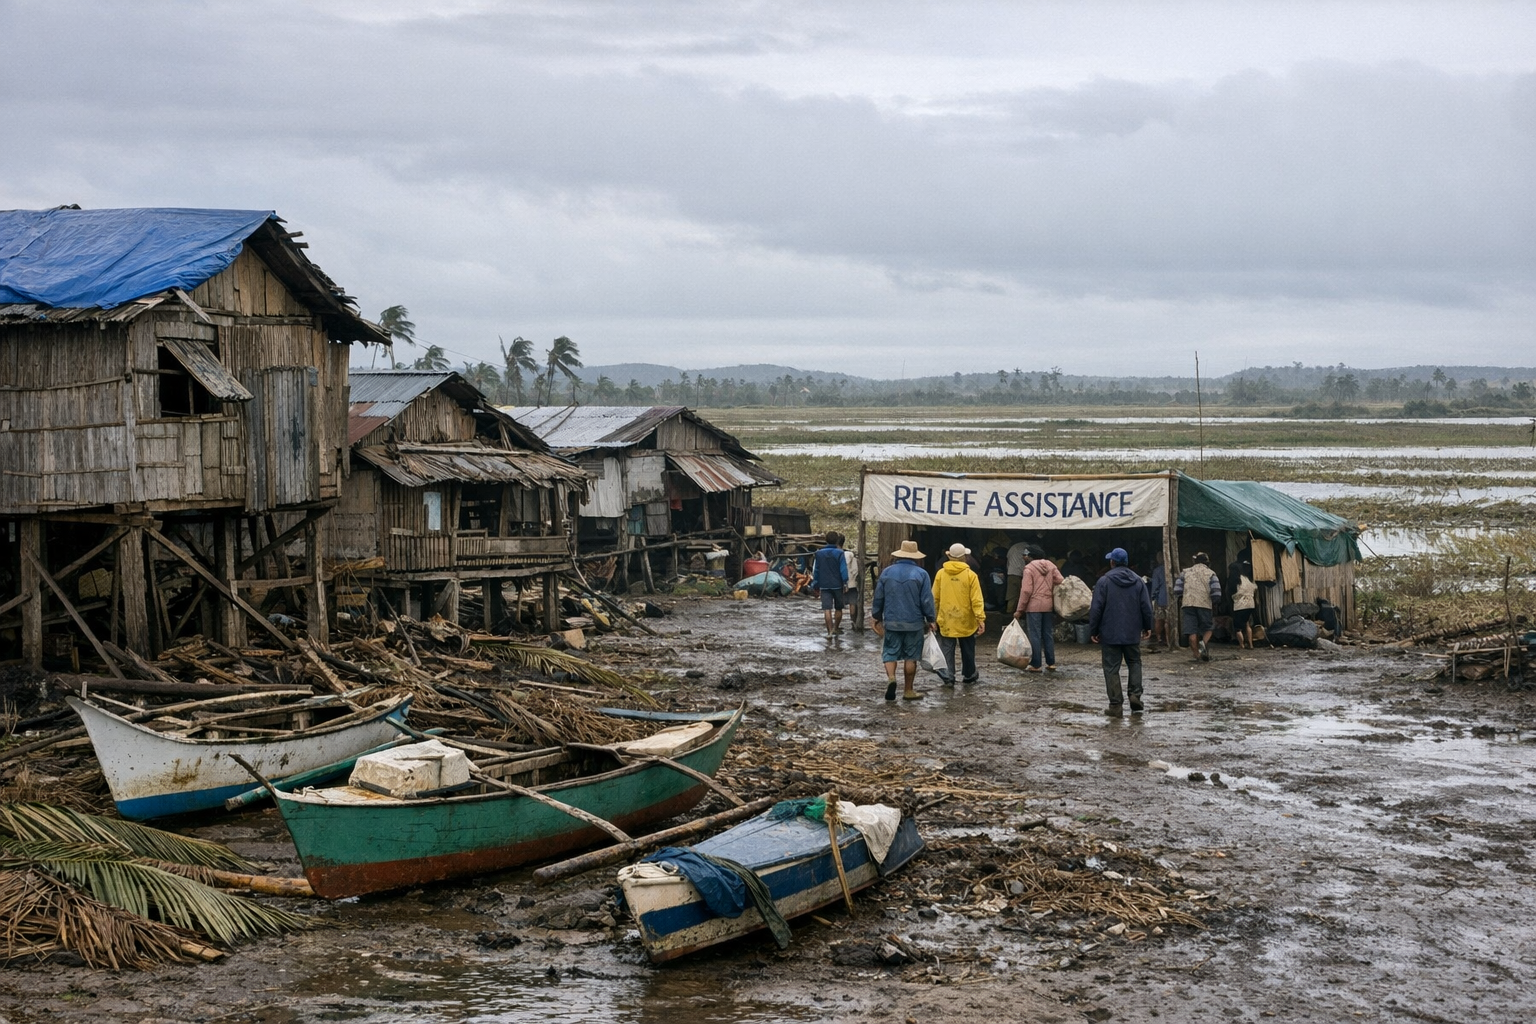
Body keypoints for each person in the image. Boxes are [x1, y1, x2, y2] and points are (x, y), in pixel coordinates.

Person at [1088, 547, 1155, 714]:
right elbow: (1146, 607)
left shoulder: (1104, 581)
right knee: (1134, 662)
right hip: (1132, 632)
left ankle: (1116, 705)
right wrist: (1148, 627)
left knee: (1111, 667)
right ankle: (1135, 695)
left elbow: (1096, 608)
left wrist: (1093, 630)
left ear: (1112, 562)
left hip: (1109, 632)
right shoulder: (1139, 581)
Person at [871, 540, 937, 701]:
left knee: (890, 653)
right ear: (915, 557)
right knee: (911, 656)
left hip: (892, 620)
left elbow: (879, 596)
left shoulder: (887, 572)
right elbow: (926, 600)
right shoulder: (921, 574)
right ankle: (908, 690)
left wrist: (876, 616)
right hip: (913, 622)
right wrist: (931, 619)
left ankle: (892, 678)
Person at [932, 542, 985, 686]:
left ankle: (948, 676)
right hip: (965, 619)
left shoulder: (941, 574)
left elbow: (934, 598)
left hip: (946, 618)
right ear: (964, 558)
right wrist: (980, 619)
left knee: (947, 648)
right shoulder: (970, 575)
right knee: (968, 648)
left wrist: (933, 617)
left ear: (949, 556)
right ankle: (969, 674)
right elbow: (976, 600)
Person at [1013, 546, 1064, 673]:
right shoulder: (1050, 565)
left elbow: (1026, 591)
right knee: (1047, 634)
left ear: (1031, 556)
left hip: (1033, 606)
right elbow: (1060, 580)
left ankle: (1036, 664)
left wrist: (1019, 609)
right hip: (1048, 605)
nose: (1024, 557)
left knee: (1035, 635)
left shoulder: (1028, 569)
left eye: (1026, 555)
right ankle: (1051, 663)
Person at [1174, 552, 1222, 661]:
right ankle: (1203, 643)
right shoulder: (1211, 574)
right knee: (1209, 627)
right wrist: (1215, 602)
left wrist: (1182, 597)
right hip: (1204, 604)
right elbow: (1216, 592)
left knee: (1192, 630)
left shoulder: (1185, 573)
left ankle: (1197, 655)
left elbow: (1177, 590)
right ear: (1207, 562)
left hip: (1187, 604)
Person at [811, 530, 850, 638]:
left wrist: (816, 583)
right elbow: (843, 569)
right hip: (837, 584)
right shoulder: (840, 553)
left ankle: (829, 632)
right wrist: (845, 582)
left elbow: (817, 570)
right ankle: (836, 628)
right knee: (838, 608)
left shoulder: (819, 553)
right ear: (837, 541)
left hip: (824, 585)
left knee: (827, 609)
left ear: (826, 540)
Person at [1231, 564, 1257, 648]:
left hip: (1240, 605)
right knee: (1247, 624)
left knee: (1238, 628)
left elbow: (1232, 592)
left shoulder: (1235, 580)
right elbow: (1255, 589)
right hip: (1250, 604)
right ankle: (1251, 644)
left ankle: (1241, 644)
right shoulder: (1248, 579)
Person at [1004, 539, 1032, 613]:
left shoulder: (1012, 548)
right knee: (1021, 595)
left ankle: (1008, 613)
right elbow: (1027, 560)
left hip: (1011, 573)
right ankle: (1016, 614)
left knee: (1011, 596)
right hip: (1020, 574)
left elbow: (1008, 560)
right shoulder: (1027, 548)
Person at [1149, 551, 1169, 647]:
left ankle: (1159, 638)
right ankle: (1169, 639)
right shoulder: (1171, 569)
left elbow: (1155, 587)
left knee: (1158, 619)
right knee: (1168, 620)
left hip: (1160, 598)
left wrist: (1152, 597)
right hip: (1170, 599)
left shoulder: (1157, 571)